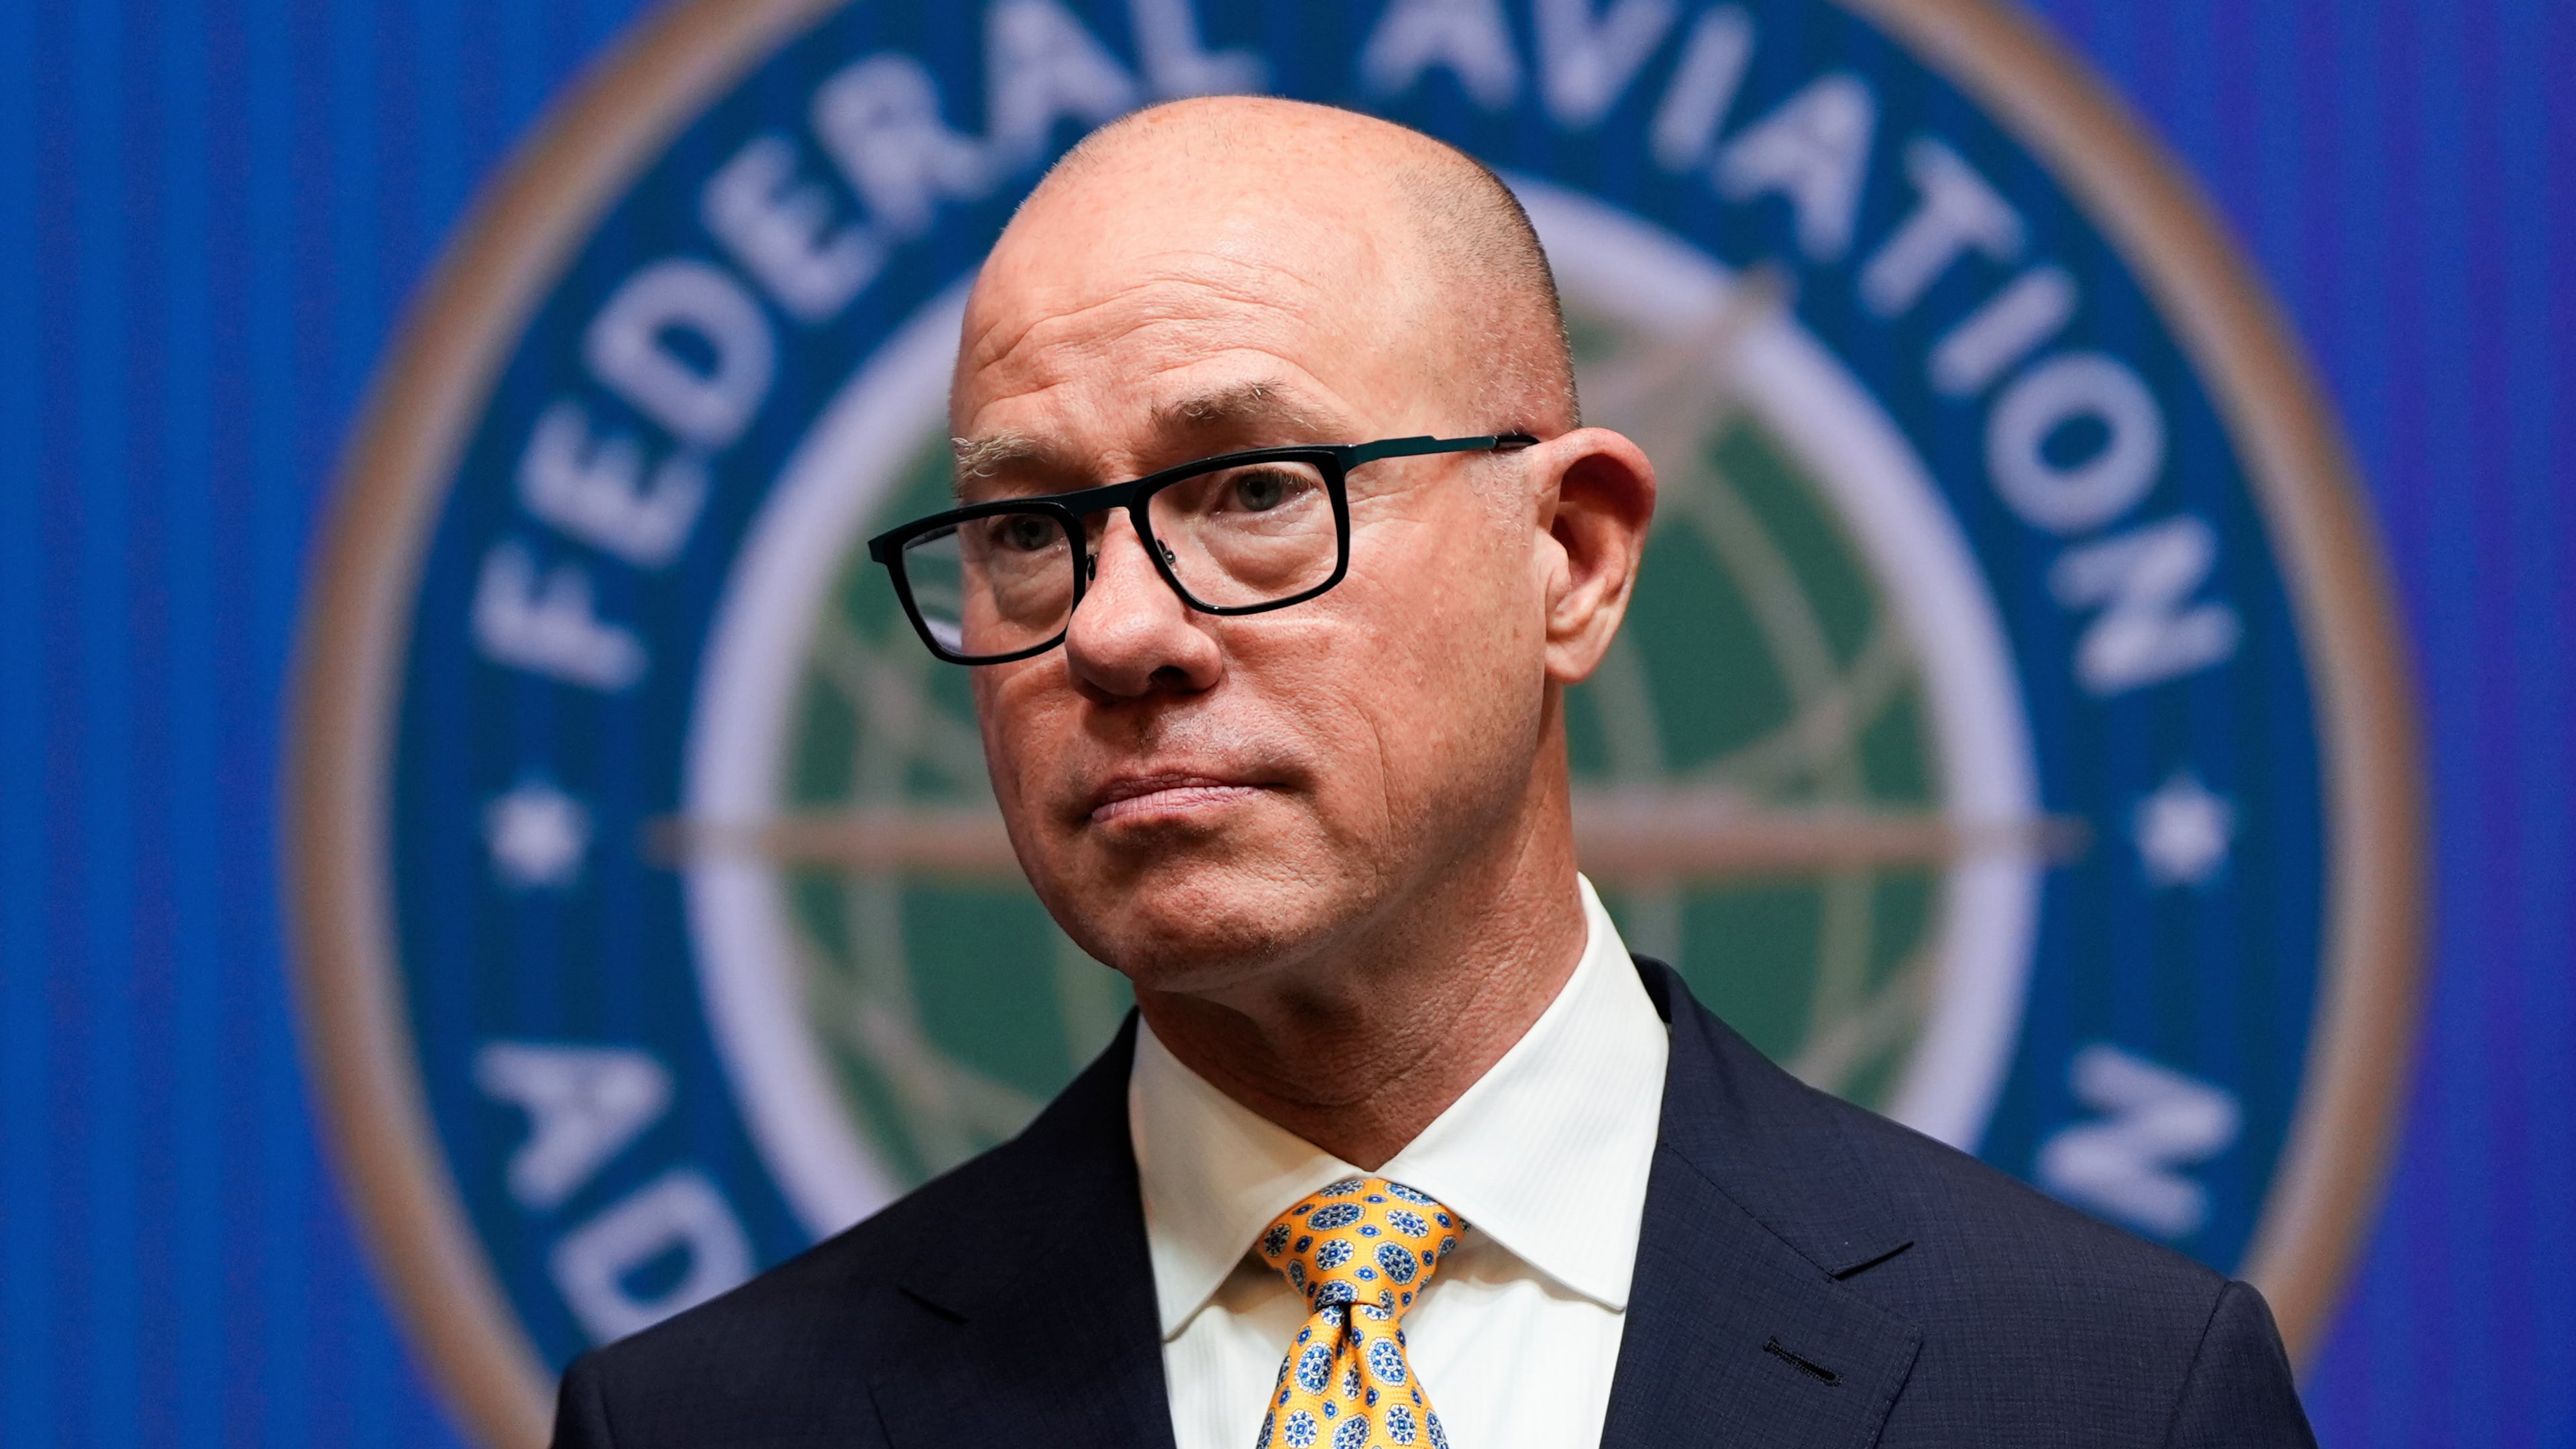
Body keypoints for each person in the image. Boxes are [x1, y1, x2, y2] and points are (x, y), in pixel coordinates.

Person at [551, 97, 2314, 1449]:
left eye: (1255, 491)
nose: (1115, 630)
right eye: (1025, 529)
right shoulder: (704, 1426)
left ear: (1574, 557)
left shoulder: (2108, 1394)